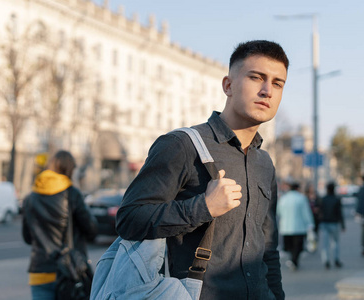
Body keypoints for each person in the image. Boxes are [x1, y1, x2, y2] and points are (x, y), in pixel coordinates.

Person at [116, 40, 288, 300]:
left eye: (277, 83)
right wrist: (203, 207)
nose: (267, 91)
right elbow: (129, 219)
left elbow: (268, 248)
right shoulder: (181, 145)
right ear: (228, 85)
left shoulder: (264, 162)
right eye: (257, 78)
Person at [22, 150, 96, 300]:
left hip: (39, 271)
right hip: (70, 271)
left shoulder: (30, 198)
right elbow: (91, 229)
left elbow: (28, 237)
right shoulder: (72, 194)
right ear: (70, 170)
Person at [277, 181, 314, 271]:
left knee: (289, 246)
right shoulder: (301, 198)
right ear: (297, 189)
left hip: (286, 227)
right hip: (299, 227)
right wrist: (310, 224)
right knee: (298, 246)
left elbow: (279, 212)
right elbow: (306, 213)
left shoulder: (283, 198)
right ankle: (294, 261)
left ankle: (292, 260)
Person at [318, 181, 345, 269]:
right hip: (334, 223)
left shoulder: (323, 199)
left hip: (324, 223)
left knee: (325, 244)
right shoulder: (337, 199)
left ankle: (326, 261)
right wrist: (343, 225)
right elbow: (340, 213)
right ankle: (336, 260)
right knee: (335, 243)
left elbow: (319, 212)